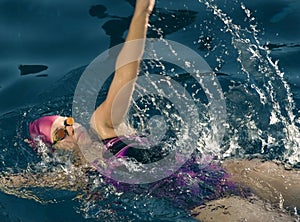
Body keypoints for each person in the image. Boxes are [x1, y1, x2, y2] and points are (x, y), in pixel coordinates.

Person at [1, 0, 299, 221]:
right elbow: (18, 183)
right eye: (60, 132)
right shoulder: (80, 177)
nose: (71, 128)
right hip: (206, 205)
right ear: (57, 150)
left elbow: (126, 70)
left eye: (67, 121)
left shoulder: (107, 125)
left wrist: (142, 12)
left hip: (224, 170)